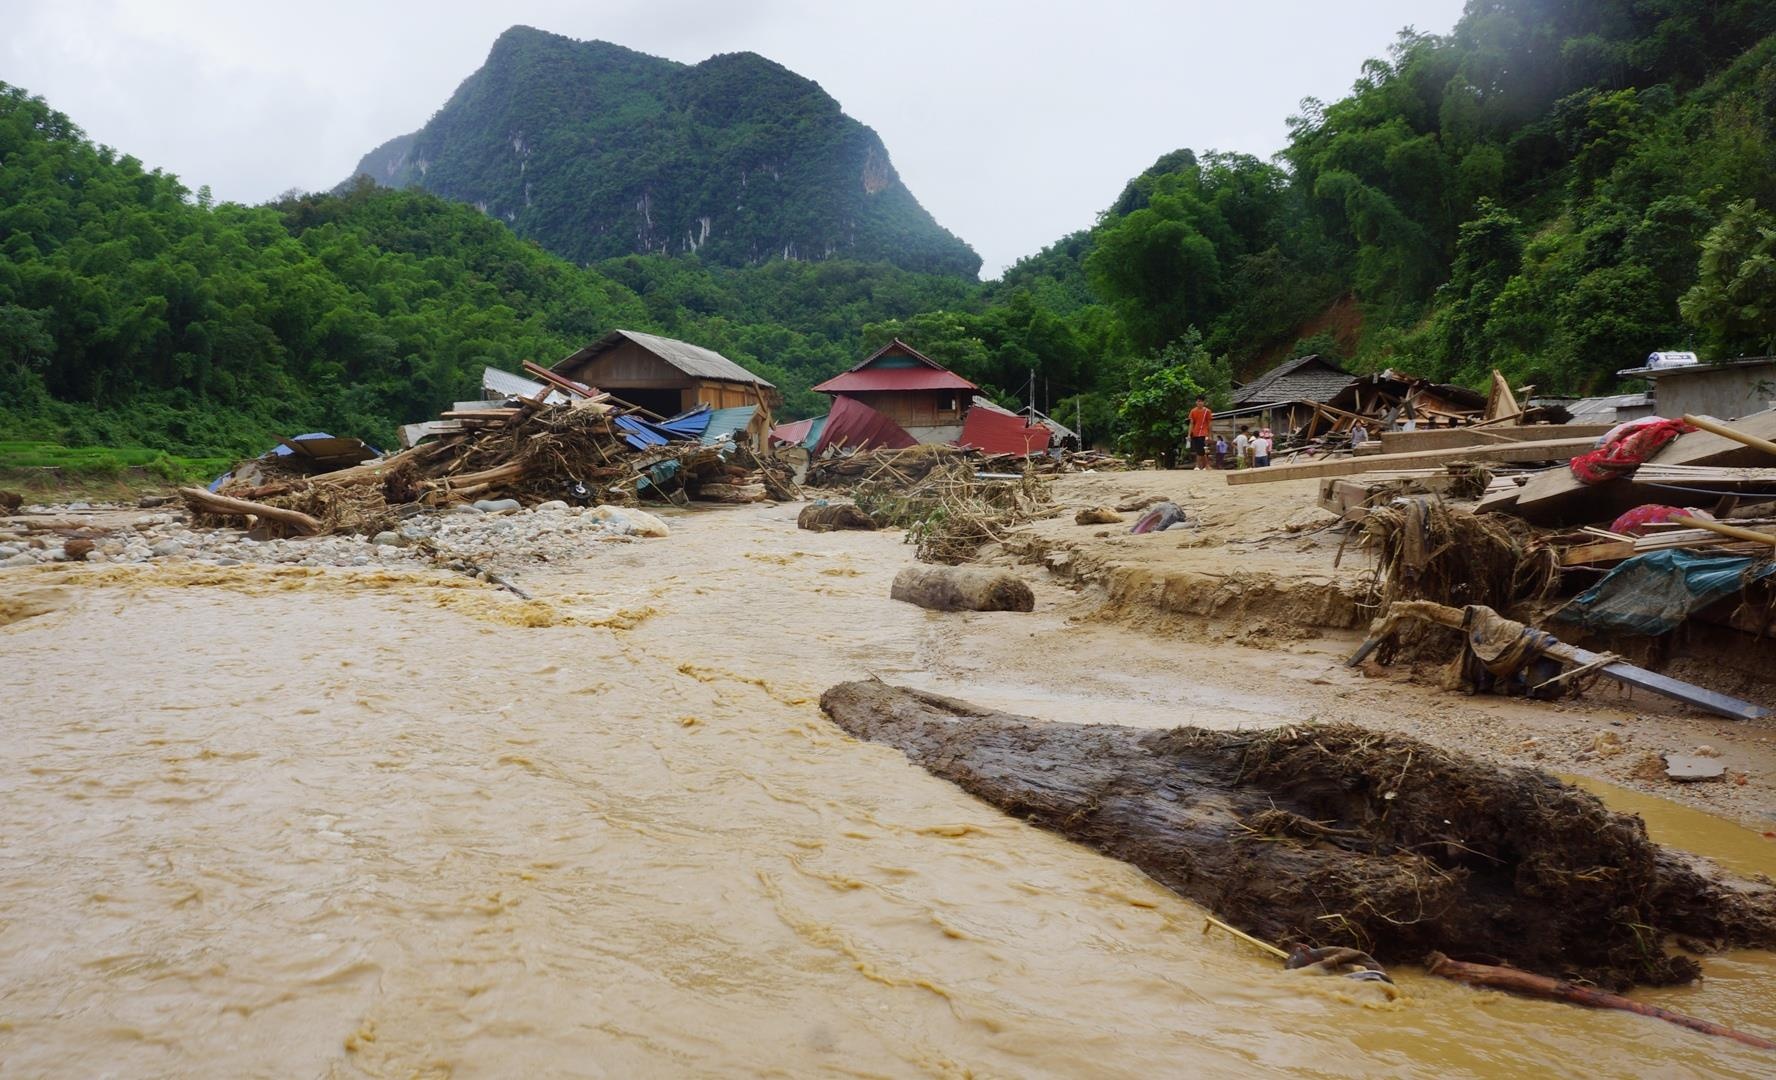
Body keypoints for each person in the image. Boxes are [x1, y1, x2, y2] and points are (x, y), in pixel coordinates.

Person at [1187, 396, 1213, 470]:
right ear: (1196, 402)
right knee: (1198, 449)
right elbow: (1191, 423)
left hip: (1204, 433)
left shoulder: (1207, 411)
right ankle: (1204, 466)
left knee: (1203, 449)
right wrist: (1189, 434)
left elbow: (1209, 423)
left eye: (1201, 401)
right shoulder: (1193, 411)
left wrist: (1210, 434)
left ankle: (1199, 465)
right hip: (1195, 433)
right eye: (1198, 401)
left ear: (1203, 402)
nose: (1199, 403)